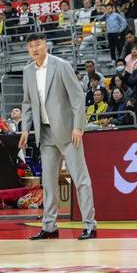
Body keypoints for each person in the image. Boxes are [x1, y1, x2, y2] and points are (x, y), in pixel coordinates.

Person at [19, 32, 97, 241]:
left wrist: (78, 127)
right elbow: (27, 103)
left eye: (37, 44)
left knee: (80, 179)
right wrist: (25, 129)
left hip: (68, 132)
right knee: (48, 182)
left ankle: (89, 225)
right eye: (31, 46)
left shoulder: (61, 65)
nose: (34, 49)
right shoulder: (27, 71)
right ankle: (49, 226)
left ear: (46, 45)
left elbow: (78, 97)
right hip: (45, 133)